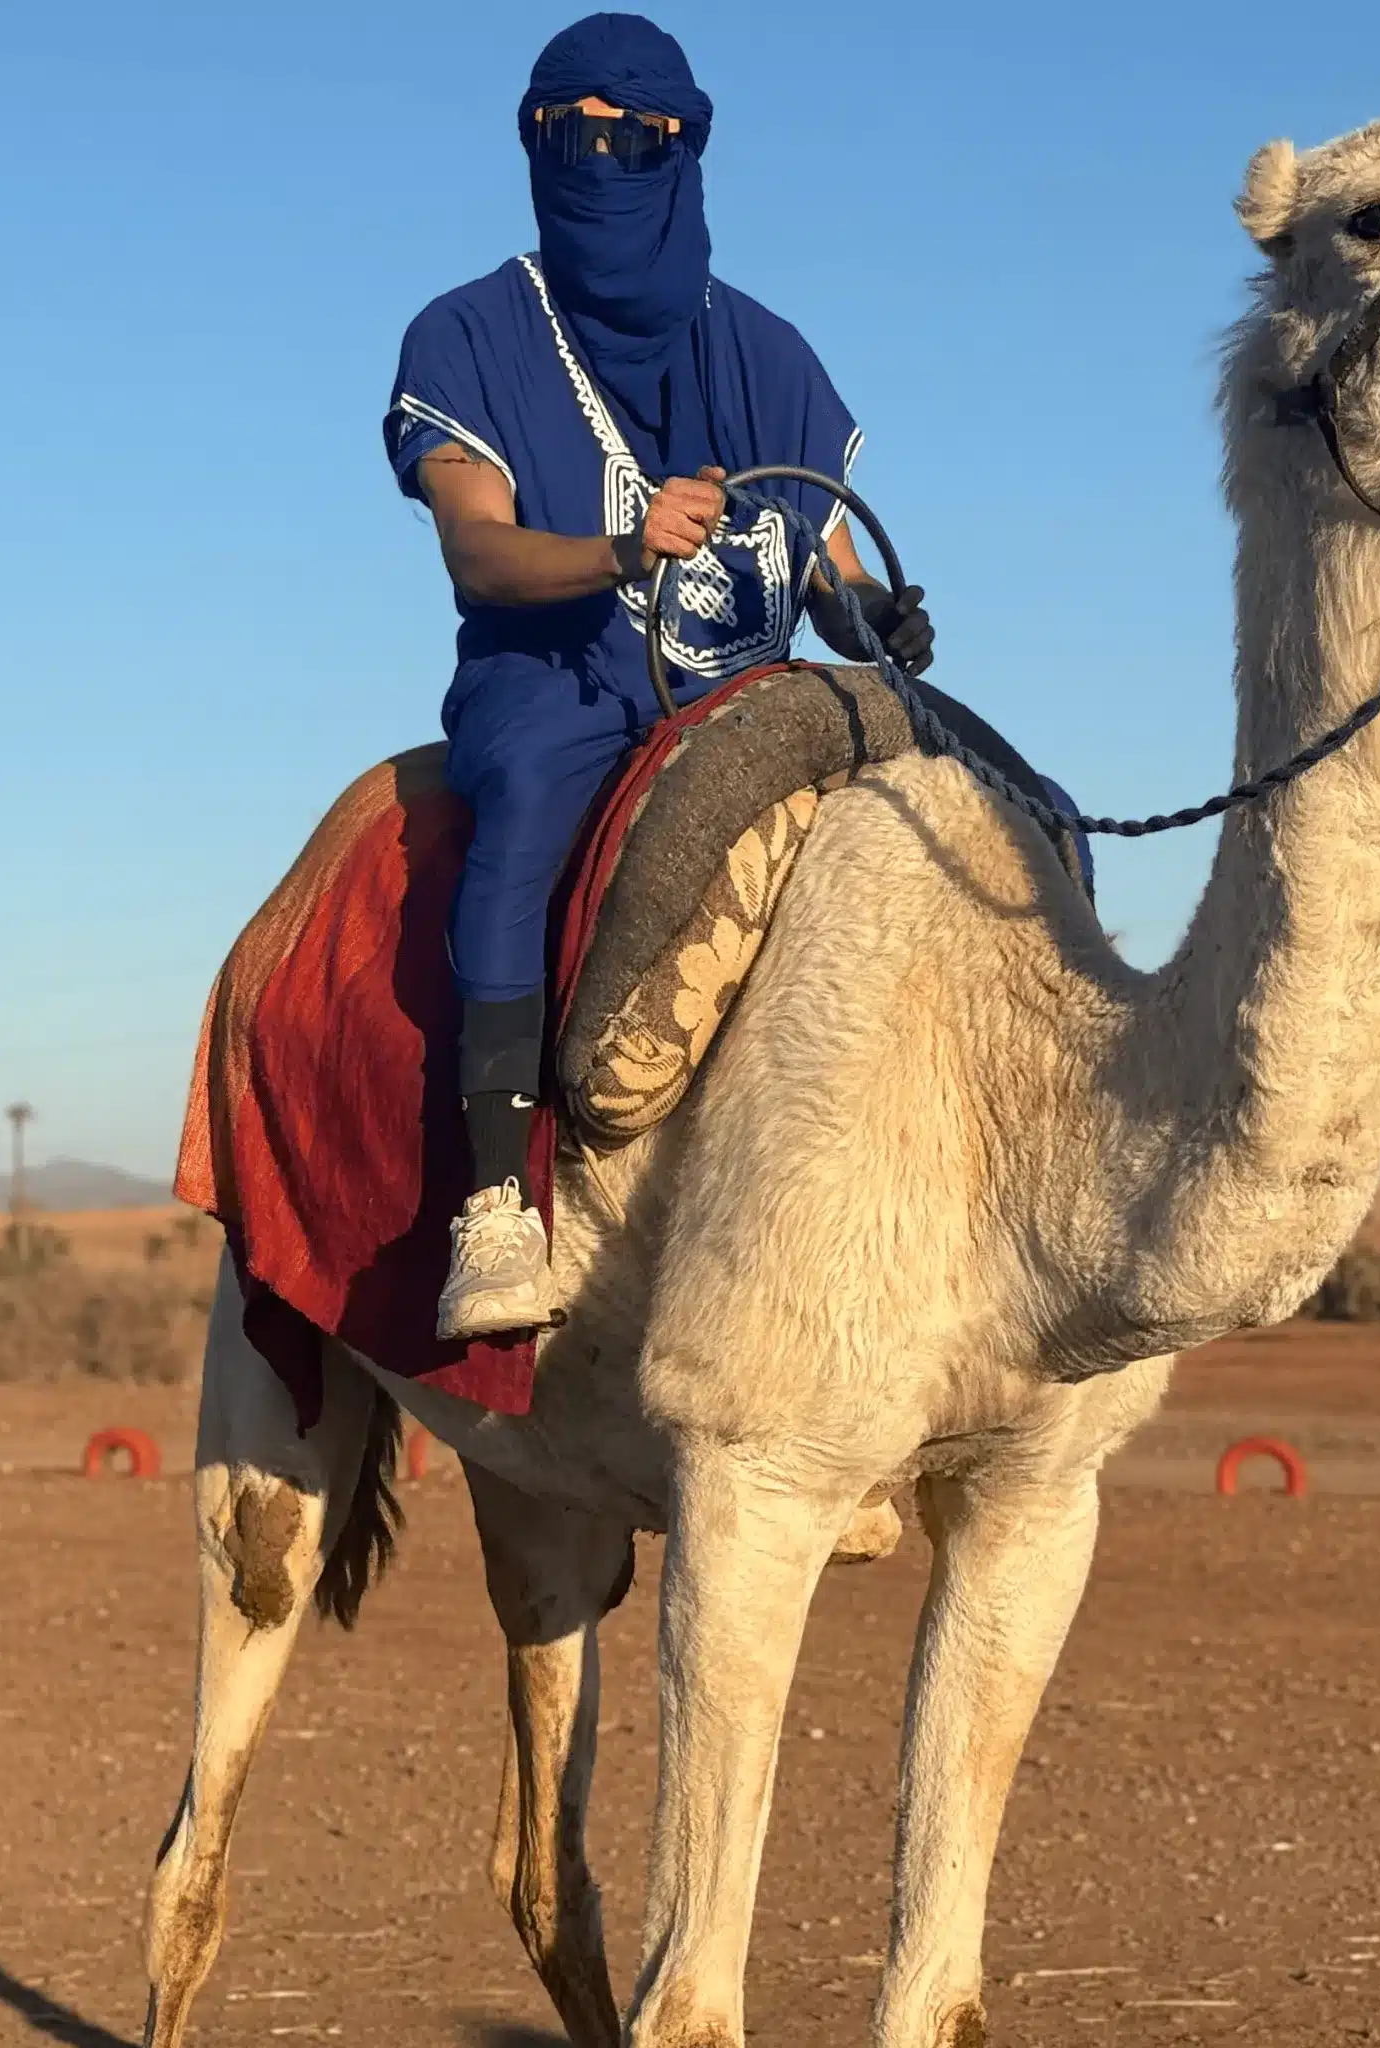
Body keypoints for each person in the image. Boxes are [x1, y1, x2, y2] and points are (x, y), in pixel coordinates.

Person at [386, 11, 935, 1341]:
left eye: (639, 142)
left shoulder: (763, 351)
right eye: (572, 138)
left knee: (932, 811)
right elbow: (476, 550)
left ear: (687, 154)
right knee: (517, 805)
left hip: (750, 698)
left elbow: (829, 561)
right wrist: (622, 548)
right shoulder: (469, 335)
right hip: (557, 686)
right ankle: (496, 1209)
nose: (604, 163)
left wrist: (875, 618)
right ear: (533, 145)